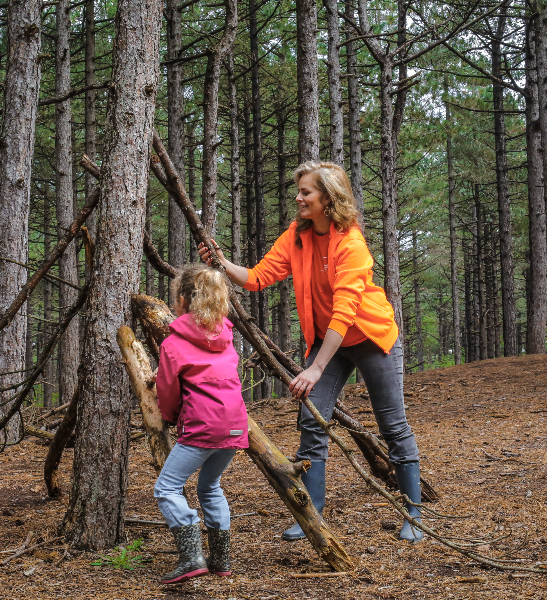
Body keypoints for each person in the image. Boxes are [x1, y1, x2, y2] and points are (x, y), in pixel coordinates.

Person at [199, 161, 424, 543]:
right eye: (299, 191)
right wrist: (222, 263)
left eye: (306, 192)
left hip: (371, 339)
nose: (299, 198)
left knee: (392, 425)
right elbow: (258, 277)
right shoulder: (297, 236)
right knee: (311, 420)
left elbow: (345, 312)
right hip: (327, 342)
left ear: (328, 198)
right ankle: (312, 515)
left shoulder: (351, 244)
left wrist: (315, 368)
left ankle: (414, 516)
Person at [153, 264, 249, 584]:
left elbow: (168, 392)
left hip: (202, 427)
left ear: (183, 300)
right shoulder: (226, 337)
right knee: (209, 486)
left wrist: (169, 417)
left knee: (167, 488)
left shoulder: (173, 344)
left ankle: (192, 557)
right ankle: (221, 559)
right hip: (235, 426)